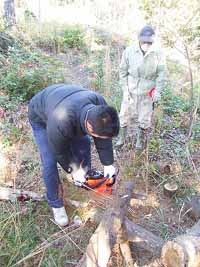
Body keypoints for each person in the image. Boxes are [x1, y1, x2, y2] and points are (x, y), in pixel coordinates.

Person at [28, 84, 120, 226]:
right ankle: (55, 203)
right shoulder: (60, 122)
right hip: (41, 116)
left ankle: (85, 177)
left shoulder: (100, 105)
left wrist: (108, 163)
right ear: (89, 126)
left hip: (64, 101)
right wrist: (73, 170)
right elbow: (60, 151)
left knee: (83, 143)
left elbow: (104, 136)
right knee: (50, 162)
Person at [116, 25, 168, 150]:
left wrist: (158, 91)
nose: (146, 44)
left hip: (147, 92)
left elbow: (162, 74)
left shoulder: (158, 53)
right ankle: (121, 139)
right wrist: (125, 90)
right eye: (144, 41)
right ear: (139, 39)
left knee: (144, 119)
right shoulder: (129, 51)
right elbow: (122, 72)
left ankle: (140, 142)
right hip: (131, 90)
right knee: (124, 116)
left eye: (149, 42)